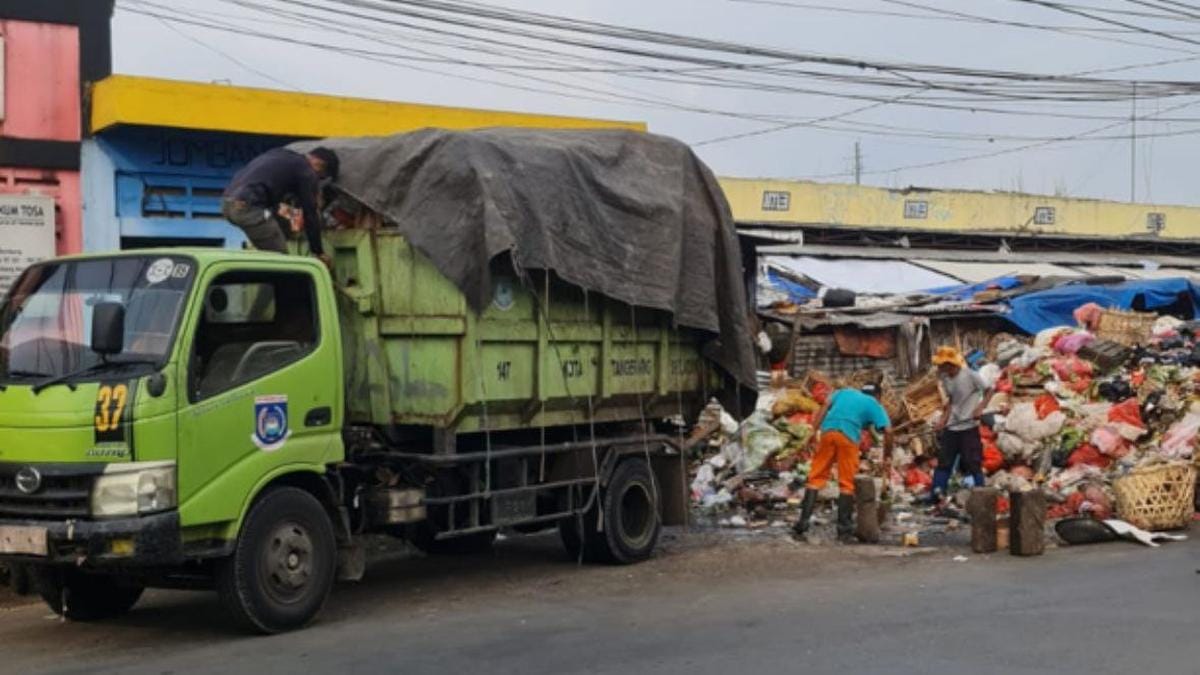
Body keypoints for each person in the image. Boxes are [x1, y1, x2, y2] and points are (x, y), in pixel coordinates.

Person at [794, 383, 894, 543]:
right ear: (878, 396)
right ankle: (844, 529)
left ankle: (802, 523)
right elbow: (888, 431)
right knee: (846, 483)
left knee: (816, 477)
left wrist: (813, 431)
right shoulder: (874, 404)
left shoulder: (844, 392)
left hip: (828, 432)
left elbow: (825, 406)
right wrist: (887, 455)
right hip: (847, 437)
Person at [221, 147, 339, 264]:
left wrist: (287, 231)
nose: (317, 180)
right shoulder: (307, 171)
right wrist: (318, 251)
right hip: (248, 207)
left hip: (227, 204)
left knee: (268, 255)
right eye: (321, 177)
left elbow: (274, 207)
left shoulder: (282, 154)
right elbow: (310, 214)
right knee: (281, 260)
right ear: (320, 165)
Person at [930, 345, 990, 502]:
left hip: (968, 426)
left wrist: (980, 407)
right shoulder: (945, 378)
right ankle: (937, 493)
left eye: (942, 366)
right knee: (944, 461)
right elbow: (950, 401)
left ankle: (981, 495)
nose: (940, 369)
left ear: (951, 364)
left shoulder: (970, 375)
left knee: (973, 461)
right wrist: (943, 421)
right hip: (952, 426)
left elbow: (990, 390)